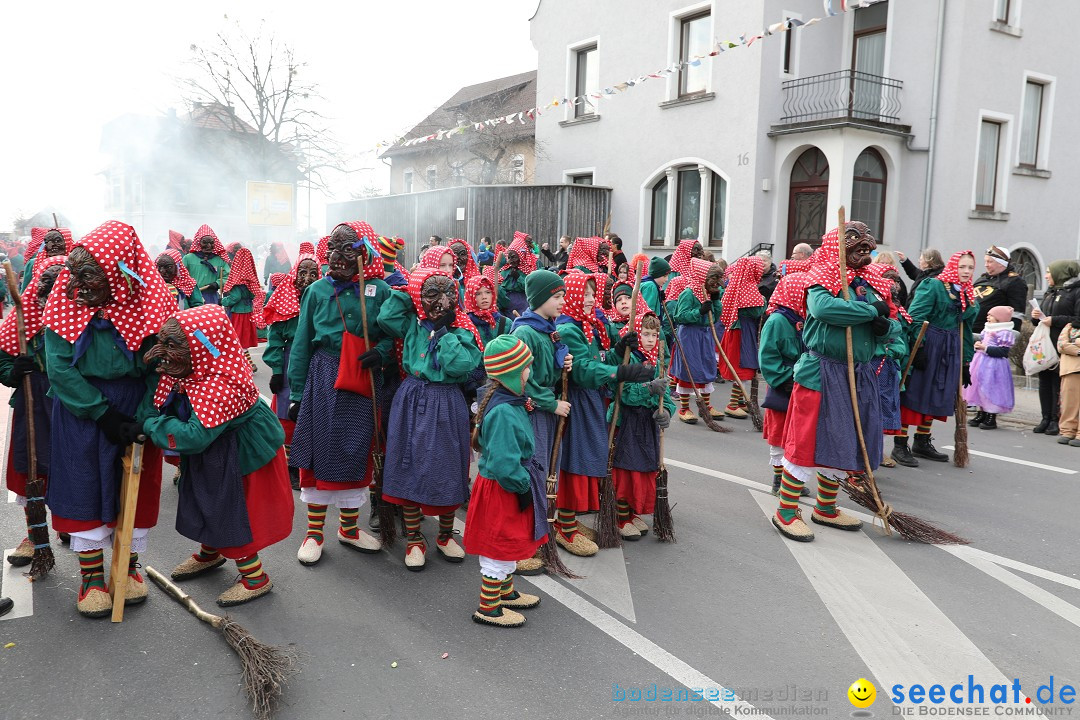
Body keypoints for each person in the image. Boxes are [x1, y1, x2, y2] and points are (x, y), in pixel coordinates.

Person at [42, 220, 171, 618]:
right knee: (84, 485)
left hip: (136, 408)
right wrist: (101, 412)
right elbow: (60, 367)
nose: (78, 286)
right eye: (75, 276)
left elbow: (163, 366)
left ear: (118, 271)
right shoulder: (66, 304)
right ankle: (92, 579)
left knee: (132, 486)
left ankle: (128, 570)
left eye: (90, 277)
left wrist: (145, 416)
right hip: (84, 410)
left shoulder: (151, 302)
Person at [141, 306, 293, 606]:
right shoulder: (199, 365)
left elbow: (193, 436)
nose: (164, 352)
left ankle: (255, 578)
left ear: (197, 347)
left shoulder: (218, 384)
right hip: (216, 450)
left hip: (241, 457)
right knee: (204, 498)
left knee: (233, 511)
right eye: (164, 343)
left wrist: (148, 423)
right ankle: (210, 553)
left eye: (173, 346)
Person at [773, 222, 896, 542]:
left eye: (866, 241)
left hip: (858, 372)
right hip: (821, 372)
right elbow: (824, 309)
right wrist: (870, 312)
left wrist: (885, 327)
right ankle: (786, 510)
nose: (864, 246)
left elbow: (894, 323)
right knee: (805, 441)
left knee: (844, 439)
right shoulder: (821, 278)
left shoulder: (872, 282)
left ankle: (825, 507)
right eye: (854, 241)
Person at [288, 222, 389, 566]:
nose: (337, 256)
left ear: (365, 253)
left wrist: (383, 351)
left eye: (348, 249)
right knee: (319, 451)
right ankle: (314, 533)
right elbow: (302, 342)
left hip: (362, 376)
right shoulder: (316, 290)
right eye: (333, 247)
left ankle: (348, 529)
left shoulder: (378, 290)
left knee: (355, 450)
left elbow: (394, 333)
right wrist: (297, 392)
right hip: (323, 375)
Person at [378, 267, 483, 571]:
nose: (441, 301)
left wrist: (443, 332)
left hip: (447, 399)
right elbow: (386, 319)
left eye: (448, 292)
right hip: (411, 396)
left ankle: (446, 535)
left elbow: (461, 366)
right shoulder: (412, 322)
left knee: (448, 466)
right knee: (409, 463)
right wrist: (405, 291)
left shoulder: (463, 327)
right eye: (431, 293)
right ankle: (413, 539)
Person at [553, 273, 652, 556]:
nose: (588, 299)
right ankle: (566, 528)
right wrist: (619, 371)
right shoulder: (569, 328)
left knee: (588, 457)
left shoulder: (589, 325)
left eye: (591, 294)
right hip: (577, 400)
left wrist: (618, 350)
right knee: (576, 460)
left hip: (592, 398)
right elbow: (582, 370)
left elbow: (598, 359)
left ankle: (566, 520)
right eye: (582, 294)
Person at [463, 336, 546, 627]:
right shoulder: (502, 412)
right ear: (512, 371)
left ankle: (505, 592)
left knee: (509, 540)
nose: (529, 373)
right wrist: (522, 484)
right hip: (503, 489)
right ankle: (488, 608)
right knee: (498, 546)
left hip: (509, 485)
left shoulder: (510, 402)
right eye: (526, 368)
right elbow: (502, 464)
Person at [0, 254, 65, 567]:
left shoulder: (85, 313)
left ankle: (71, 524)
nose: (53, 288)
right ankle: (34, 535)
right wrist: (15, 371)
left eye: (60, 282)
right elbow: (3, 359)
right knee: (32, 468)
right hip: (33, 401)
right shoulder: (23, 317)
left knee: (72, 467)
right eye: (47, 281)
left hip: (71, 403)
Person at [510, 270, 573, 575]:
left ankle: (538, 537)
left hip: (547, 413)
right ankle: (519, 544)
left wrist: (565, 363)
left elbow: (547, 368)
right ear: (540, 298)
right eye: (557, 296)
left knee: (548, 473)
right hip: (533, 413)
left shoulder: (548, 329)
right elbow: (525, 381)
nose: (563, 301)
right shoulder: (525, 333)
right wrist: (552, 403)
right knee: (533, 473)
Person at [893, 251, 978, 466]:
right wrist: (918, 347)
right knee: (915, 393)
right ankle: (900, 444)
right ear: (952, 267)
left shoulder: (967, 294)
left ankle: (922, 441)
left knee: (938, 393)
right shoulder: (933, 286)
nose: (966, 272)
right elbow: (915, 317)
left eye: (970, 267)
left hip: (950, 347)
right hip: (929, 343)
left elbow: (966, 330)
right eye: (962, 267)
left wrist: (966, 361)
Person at [610, 310, 673, 539]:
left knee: (645, 468)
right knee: (627, 468)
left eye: (654, 335)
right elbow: (623, 393)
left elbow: (667, 394)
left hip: (647, 423)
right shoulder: (629, 358)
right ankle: (620, 515)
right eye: (645, 334)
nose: (650, 339)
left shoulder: (659, 359)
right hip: (628, 420)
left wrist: (665, 411)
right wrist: (648, 389)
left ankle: (633, 510)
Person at [262, 251, 321, 490]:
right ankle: (290, 466)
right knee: (288, 415)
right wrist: (277, 370)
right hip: (289, 362)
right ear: (295, 273)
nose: (307, 278)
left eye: (313, 273)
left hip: (317, 360)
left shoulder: (323, 297)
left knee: (313, 410)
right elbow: (274, 338)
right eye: (303, 272)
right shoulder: (283, 298)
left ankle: (309, 462)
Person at [757, 271, 811, 496]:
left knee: (796, 433)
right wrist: (784, 379)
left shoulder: (805, 319)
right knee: (779, 433)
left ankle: (792, 478)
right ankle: (778, 479)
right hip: (784, 383)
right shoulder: (778, 320)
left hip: (803, 381)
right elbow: (767, 356)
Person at [669, 259, 725, 422]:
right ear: (703, 278)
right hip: (689, 335)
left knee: (707, 366)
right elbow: (679, 317)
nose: (717, 284)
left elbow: (715, 317)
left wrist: (715, 301)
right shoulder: (688, 293)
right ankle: (684, 408)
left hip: (705, 334)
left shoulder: (709, 293)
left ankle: (705, 405)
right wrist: (698, 311)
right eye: (714, 280)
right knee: (689, 369)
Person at [1031, 260, 1080, 435]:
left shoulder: (1076, 292)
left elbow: (1077, 319)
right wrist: (1036, 317)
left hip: (1062, 346)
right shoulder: (1051, 292)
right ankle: (1045, 418)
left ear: (1060, 273)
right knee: (1044, 381)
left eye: (1049, 272)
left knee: (1057, 383)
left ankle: (1056, 420)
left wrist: (1054, 320)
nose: (1045, 276)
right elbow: (1041, 319)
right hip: (1046, 345)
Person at [718, 256, 765, 419]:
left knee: (743, 364)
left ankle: (739, 401)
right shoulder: (748, 287)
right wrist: (764, 302)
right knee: (743, 366)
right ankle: (732, 404)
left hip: (738, 330)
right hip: (742, 331)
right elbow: (754, 311)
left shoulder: (738, 285)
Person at [966, 306, 1018, 430]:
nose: (988, 317)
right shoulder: (987, 329)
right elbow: (984, 343)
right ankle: (981, 412)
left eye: (991, 315)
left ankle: (991, 415)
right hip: (981, 362)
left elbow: (1003, 351)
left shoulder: (1004, 332)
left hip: (994, 366)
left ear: (1000, 319)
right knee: (979, 387)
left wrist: (985, 348)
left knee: (991, 388)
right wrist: (978, 345)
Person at [220, 247, 265, 373]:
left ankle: (246, 366)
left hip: (238, 314)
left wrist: (223, 301)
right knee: (242, 342)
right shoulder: (251, 280)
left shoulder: (236, 280)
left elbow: (235, 297)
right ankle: (247, 364)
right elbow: (252, 295)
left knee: (236, 341)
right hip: (248, 312)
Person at [972, 246, 1028, 333]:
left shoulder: (1015, 282)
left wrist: (1011, 336)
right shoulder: (981, 279)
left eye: (990, 261)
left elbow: (1016, 314)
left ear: (1001, 263)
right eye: (985, 261)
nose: (986, 264)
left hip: (993, 334)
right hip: (970, 329)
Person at [183, 225, 230, 305]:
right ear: (198, 243)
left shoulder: (220, 260)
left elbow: (228, 277)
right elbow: (181, 276)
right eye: (205, 242)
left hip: (211, 297)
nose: (208, 246)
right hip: (192, 297)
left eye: (211, 243)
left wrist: (217, 283)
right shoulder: (188, 259)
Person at [22, 227, 73, 292]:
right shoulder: (34, 264)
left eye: (57, 241)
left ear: (67, 242)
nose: (50, 246)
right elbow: (25, 292)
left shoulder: (76, 264)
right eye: (47, 242)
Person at [1055, 321, 1080, 446]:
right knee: (1069, 403)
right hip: (1070, 369)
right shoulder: (1070, 326)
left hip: (1073, 365)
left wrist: (1074, 342)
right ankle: (1067, 431)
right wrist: (1078, 350)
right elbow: (1061, 345)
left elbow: (1067, 346)